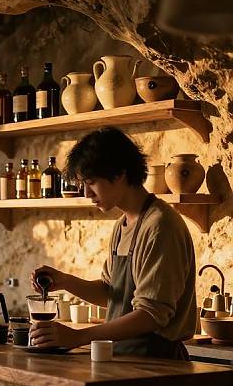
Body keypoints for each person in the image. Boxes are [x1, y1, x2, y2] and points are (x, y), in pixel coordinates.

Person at [30, 127, 196, 360]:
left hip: (157, 364)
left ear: (119, 174)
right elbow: (112, 294)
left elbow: (151, 314)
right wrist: (65, 281)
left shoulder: (160, 225)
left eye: (91, 182)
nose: (86, 193)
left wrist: (78, 337)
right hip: (122, 358)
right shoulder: (122, 225)